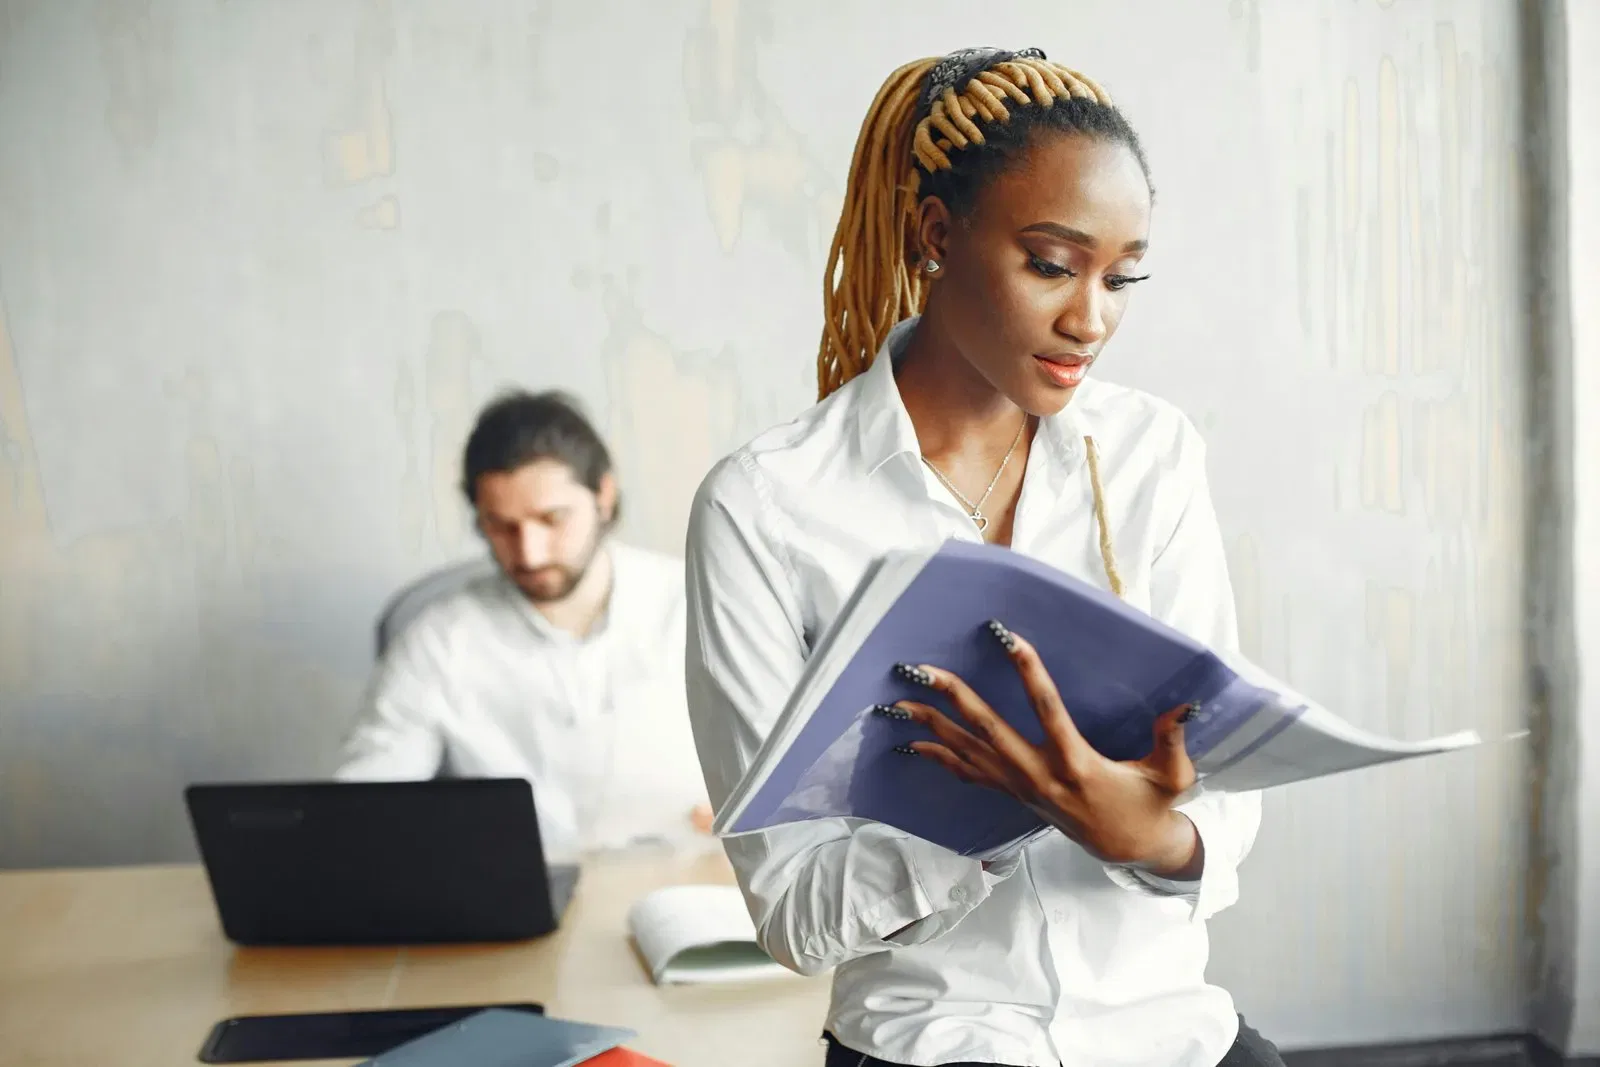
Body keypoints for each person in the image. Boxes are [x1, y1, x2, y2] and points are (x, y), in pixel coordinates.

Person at [684, 47, 1281, 1067]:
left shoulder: (1150, 454)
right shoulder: (768, 507)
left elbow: (1220, 786)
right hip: (931, 1043)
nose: (1090, 317)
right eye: (1051, 263)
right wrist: (1000, 803)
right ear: (934, 233)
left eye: (1121, 275)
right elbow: (790, 910)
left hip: (1172, 1032)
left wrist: (1145, 833)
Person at [337, 389, 711, 861]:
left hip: (693, 884)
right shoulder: (438, 640)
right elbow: (362, 807)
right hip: (514, 898)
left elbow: (801, 772)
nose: (529, 553)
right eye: (501, 526)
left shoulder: (702, 603)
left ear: (604, 497)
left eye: (552, 519)